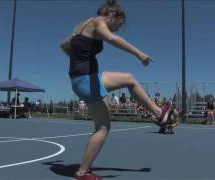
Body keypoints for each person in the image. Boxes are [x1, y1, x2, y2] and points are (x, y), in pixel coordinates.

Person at [65, 1, 176, 179]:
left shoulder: (81, 26)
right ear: (111, 16)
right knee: (130, 79)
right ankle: (158, 113)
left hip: (80, 80)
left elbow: (69, 47)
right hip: (86, 79)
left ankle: (82, 171)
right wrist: (139, 54)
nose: (117, 29)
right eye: (118, 24)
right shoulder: (97, 22)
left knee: (102, 127)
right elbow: (112, 39)